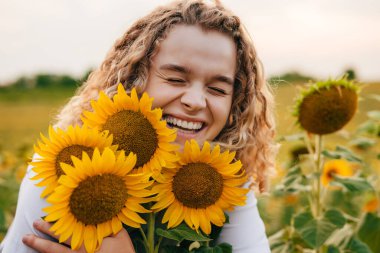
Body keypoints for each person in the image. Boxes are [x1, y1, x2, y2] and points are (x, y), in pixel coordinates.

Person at [0, 0, 277, 252]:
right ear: (134, 78)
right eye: (175, 79)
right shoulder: (67, 169)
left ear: (236, 103)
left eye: (217, 89)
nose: (195, 101)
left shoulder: (225, 185)